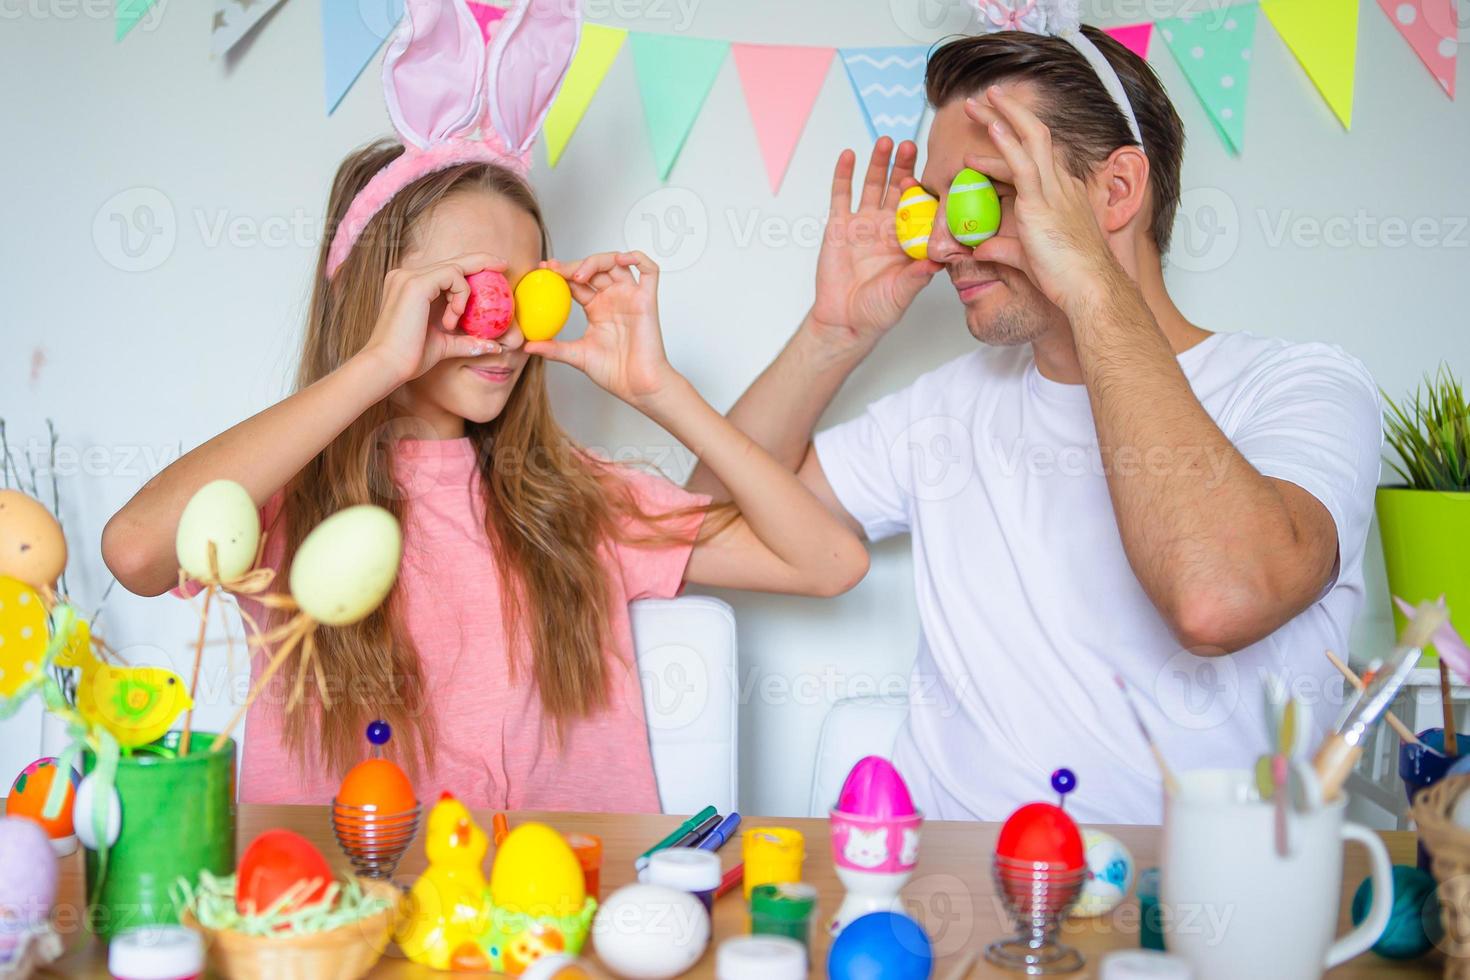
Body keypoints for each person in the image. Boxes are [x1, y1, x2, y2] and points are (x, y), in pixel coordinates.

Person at [100, 0, 867, 812]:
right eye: (467, 289)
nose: (500, 327)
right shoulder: (290, 498)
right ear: (381, 298)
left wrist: (662, 392)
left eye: (526, 289)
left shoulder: (574, 497)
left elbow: (830, 563)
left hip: (556, 918)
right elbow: (136, 550)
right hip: (345, 919)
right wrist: (375, 367)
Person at [688, 27, 1382, 823]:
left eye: (990, 195)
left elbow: (1216, 600)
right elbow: (696, 529)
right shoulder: (943, 408)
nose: (946, 244)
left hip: (1188, 910)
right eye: (936, 208)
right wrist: (831, 336)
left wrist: (1089, 283)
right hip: (946, 897)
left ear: (1117, 192)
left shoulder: (1301, 388)